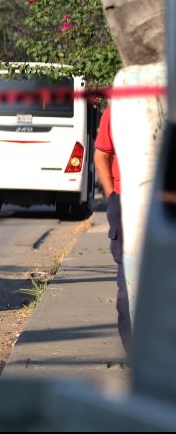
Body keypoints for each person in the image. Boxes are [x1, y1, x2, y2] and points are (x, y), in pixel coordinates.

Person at [94, 105, 132, 354]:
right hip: (125, 202)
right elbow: (102, 154)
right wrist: (113, 197)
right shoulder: (119, 109)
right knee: (128, 280)